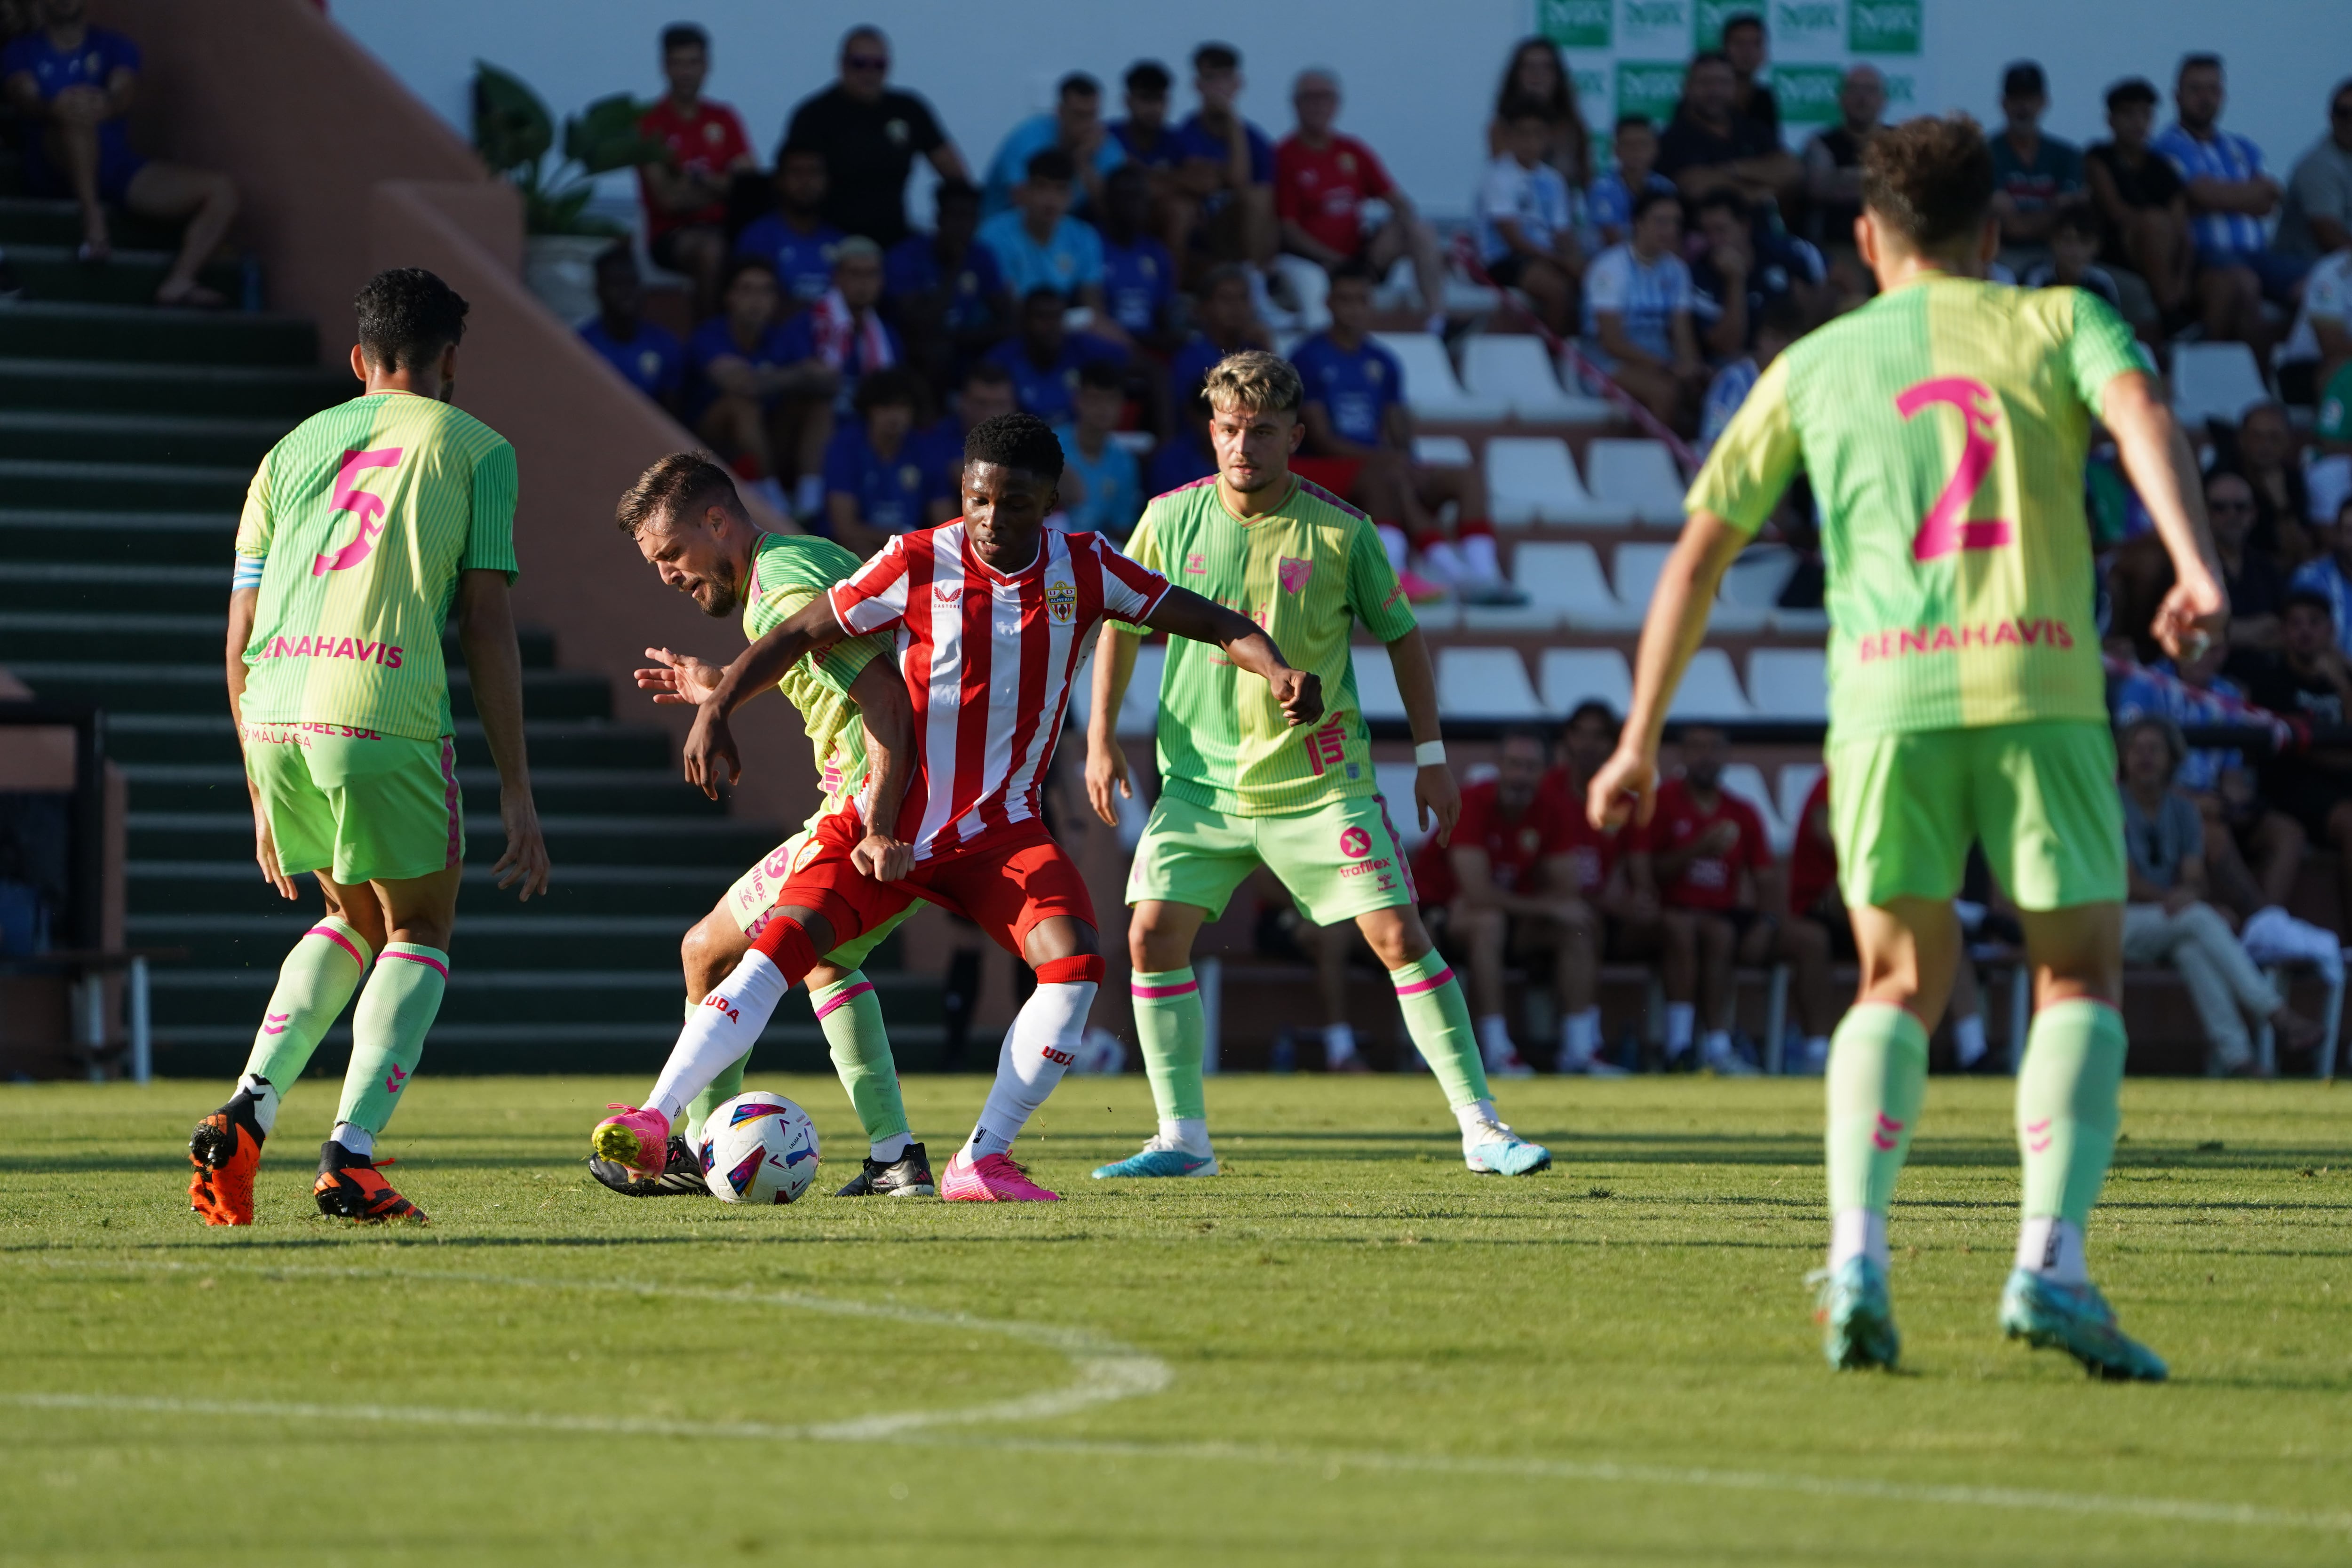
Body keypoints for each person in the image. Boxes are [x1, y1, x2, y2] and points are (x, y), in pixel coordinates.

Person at [1589, 114, 2225, 1379]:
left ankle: (1862, 1260)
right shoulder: (2056, 319)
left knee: (1895, 981)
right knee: (2079, 978)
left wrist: (1639, 736)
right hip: (2041, 680)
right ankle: (2051, 1263)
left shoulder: (1816, 361)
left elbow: (1700, 555)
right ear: (1996, 234)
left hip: (1886, 702)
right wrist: (2197, 567)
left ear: (1869, 237)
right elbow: (2143, 403)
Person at [592, 413, 1327, 1203]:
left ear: (1049, 501)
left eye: (1014, 504)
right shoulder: (915, 559)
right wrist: (719, 705)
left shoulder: (1086, 568)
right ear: (962, 491)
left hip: (996, 828)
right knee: (778, 951)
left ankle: (980, 1157)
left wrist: (1276, 667)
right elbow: (803, 635)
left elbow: (1209, 618)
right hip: (889, 819)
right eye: (978, 499)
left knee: (1075, 964)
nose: (991, 519)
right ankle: (661, 1118)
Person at [1087, 350, 1552, 1181]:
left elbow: (1404, 636)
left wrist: (1432, 759)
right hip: (1200, 783)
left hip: (1319, 782)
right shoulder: (1165, 519)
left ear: (1295, 436)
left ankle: (1482, 1128)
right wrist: (1100, 736)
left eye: (1261, 432)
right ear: (1212, 431)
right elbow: (1120, 624)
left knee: (1398, 933)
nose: (1242, 447)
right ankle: (1182, 1138)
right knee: (1151, 937)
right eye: (1229, 430)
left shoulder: (1343, 530)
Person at [189, 268, 550, 1226]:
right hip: (377, 700)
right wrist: (516, 786)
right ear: (451, 363)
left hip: (274, 709)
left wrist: (259, 792)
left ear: (359, 359)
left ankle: (248, 1106)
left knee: (349, 917)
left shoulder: (287, 450)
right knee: (418, 928)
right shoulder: (478, 447)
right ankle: (350, 1154)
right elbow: (485, 623)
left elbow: (237, 630)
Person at [602, 453, 936, 1198]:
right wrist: (717, 685)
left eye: (671, 554)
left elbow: (884, 698)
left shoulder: (779, 584)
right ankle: (894, 1158)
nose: (668, 576)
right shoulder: (795, 562)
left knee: (706, 951)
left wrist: (874, 823)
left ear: (717, 521)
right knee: (828, 964)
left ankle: (692, 1148)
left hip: (865, 806)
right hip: (893, 801)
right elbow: (827, 663)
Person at [1290, 262, 1510, 603]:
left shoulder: (1384, 361)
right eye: (1345, 300)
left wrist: (1409, 464)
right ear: (1328, 303)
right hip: (1326, 470)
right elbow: (1320, 440)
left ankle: (1484, 574)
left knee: (1465, 476)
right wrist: (1391, 461)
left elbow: (1398, 428)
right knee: (1388, 473)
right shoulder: (1307, 357)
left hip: (1379, 467)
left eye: (1362, 300)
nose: (1354, 308)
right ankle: (1403, 573)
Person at [2115, 717, 2320, 1075]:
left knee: (2192, 948)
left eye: (2154, 749)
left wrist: (2188, 895)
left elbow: (2195, 878)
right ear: (2124, 757)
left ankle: (2237, 1059)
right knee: (2198, 918)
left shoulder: (2183, 810)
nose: (2145, 758)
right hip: (2113, 922)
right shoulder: (2110, 805)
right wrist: (2182, 899)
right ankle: (2278, 1014)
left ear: (2172, 758)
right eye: (2137, 749)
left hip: (2168, 924)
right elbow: (2126, 882)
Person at [0, 0, 238, 307]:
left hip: (113, 168)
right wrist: (56, 106)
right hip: (51, 163)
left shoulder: (114, 45)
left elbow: (123, 90)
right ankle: (94, 221)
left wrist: (107, 103)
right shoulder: (20, 50)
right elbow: (24, 94)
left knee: (222, 192)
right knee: (74, 121)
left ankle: (179, 282)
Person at [1410, 726, 1601, 1079]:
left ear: (1544, 772)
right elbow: (1477, 893)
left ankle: (1580, 1048)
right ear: (1498, 765)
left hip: (1510, 915)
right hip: (1437, 916)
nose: (1521, 776)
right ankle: (1496, 1047)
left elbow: (1566, 889)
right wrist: (1547, 906)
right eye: (1514, 765)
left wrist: (1553, 907)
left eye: (1530, 767)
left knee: (1576, 925)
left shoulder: (1553, 810)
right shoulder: (1472, 802)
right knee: (1488, 921)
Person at [1786, 770, 1992, 1074]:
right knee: (1867, 881)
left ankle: (1973, 1050)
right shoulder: (1834, 780)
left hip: (1891, 913)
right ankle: (1819, 1054)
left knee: (1942, 930)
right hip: (1827, 909)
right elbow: (1826, 834)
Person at [2112, 634, 2303, 917]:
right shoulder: (2145, 684)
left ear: (2223, 653)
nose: (2203, 657)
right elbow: (2133, 770)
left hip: (2212, 804)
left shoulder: (2229, 695)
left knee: (2288, 833)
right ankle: (2265, 921)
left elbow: (2232, 775)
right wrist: (2194, 801)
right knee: (2214, 835)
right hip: (2160, 804)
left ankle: (2267, 927)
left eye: (2212, 650)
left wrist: (2234, 801)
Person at [1628, 724, 1772, 1074]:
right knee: (1683, 928)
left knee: (1720, 932)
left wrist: (1767, 922)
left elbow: (1766, 879)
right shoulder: (1659, 803)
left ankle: (1717, 1047)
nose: (1705, 756)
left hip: (1719, 915)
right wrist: (1699, 849)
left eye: (1714, 748)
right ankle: (1679, 1048)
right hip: (1666, 915)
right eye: (1696, 747)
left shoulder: (1743, 811)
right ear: (1681, 755)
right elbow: (1645, 871)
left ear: (1727, 756)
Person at [1274, 68, 1446, 327]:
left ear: (1336, 104)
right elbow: (1288, 230)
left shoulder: (1351, 152)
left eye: (1326, 98)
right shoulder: (1284, 156)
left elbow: (1398, 201)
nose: (1319, 105)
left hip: (1360, 257)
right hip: (1313, 261)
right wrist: (1334, 259)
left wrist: (1396, 229)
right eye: (1311, 98)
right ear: (1296, 104)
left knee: (1421, 231)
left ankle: (1438, 319)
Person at [2154, 55, 2301, 353]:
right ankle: (2215, 367)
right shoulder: (2167, 146)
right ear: (2177, 96)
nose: (2204, 98)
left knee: (2319, 283)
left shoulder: (2242, 147)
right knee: (2240, 283)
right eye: (2195, 90)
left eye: (2212, 90)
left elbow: (2270, 198)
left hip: (2259, 254)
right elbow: (2201, 194)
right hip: (2206, 255)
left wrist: (2221, 195)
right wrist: (2244, 195)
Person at [779, 25, 967, 247]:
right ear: (842, 65)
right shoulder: (814, 115)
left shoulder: (910, 111)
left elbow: (956, 176)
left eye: (879, 65)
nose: (869, 73)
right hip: (828, 242)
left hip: (895, 240)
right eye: (860, 64)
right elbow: (790, 182)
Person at [684, 258, 834, 517]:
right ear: (729, 297)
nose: (757, 299)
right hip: (709, 444)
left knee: (819, 407)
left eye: (766, 291)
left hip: (768, 436)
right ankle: (773, 505)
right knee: (742, 404)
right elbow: (741, 384)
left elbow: (828, 379)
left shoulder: (779, 337)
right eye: (747, 289)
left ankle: (811, 508)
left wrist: (773, 378)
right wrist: (794, 375)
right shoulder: (710, 334)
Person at [2242, 589, 2352, 928]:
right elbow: (2317, 754)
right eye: (2296, 624)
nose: (2305, 631)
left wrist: (2342, 686)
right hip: (2292, 789)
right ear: (2284, 633)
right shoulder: (2271, 681)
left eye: (2314, 623)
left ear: (2331, 631)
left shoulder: (2344, 680)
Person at [633, 23, 757, 321]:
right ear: (664, 67)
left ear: (707, 66)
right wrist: (723, 187)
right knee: (712, 252)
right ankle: (708, 344)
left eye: (693, 63)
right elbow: (668, 200)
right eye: (677, 63)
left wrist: (695, 182)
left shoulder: (725, 118)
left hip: (725, 227)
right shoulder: (648, 123)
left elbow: (750, 187)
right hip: (672, 235)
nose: (686, 72)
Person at [1579, 188, 1705, 432]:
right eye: (1661, 222)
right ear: (1638, 224)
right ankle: (1661, 466)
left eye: (1675, 223)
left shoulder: (1677, 270)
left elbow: (1682, 332)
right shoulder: (1610, 268)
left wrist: (1690, 365)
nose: (1670, 230)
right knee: (1664, 393)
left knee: (1708, 388)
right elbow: (1611, 342)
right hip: (1607, 360)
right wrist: (1667, 367)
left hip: (1659, 356)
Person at [2084, 78, 2195, 328]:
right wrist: (2156, 224)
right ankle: (2170, 312)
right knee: (2153, 222)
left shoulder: (2163, 168)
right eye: (2129, 114)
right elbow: (2116, 211)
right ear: (2111, 120)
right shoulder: (2099, 158)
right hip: (2115, 249)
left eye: (2144, 115)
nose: (2137, 122)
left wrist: (2183, 280)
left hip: (2166, 253)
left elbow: (2183, 231)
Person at [882, 177, 1006, 396]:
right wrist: (953, 270)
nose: (962, 226)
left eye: (969, 218)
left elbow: (1008, 319)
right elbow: (918, 324)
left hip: (959, 344)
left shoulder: (981, 256)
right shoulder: (906, 255)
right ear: (939, 218)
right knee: (934, 350)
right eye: (956, 216)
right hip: (908, 349)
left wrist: (960, 338)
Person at [1477, 97, 1584, 336]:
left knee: (1592, 280)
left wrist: (1575, 260)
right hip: (1504, 260)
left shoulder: (1553, 180)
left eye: (1538, 135)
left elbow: (1562, 233)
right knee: (1557, 291)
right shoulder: (1497, 177)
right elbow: (1512, 239)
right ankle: (1551, 359)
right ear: (1509, 137)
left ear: (1548, 138)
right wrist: (1560, 262)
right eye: (1523, 135)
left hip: (1544, 257)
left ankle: (1579, 353)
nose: (1530, 142)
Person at [822, 365, 948, 556]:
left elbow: (945, 529)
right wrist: (903, 536)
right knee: (857, 547)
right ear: (869, 409)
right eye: (885, 406)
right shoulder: (846, 447)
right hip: (853, 553)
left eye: (902, 407)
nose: (894, 416)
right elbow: (845, 529)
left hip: (910, 552)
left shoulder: (926, 450)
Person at [1173, 42, 1276, 273]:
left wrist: (1233, 124)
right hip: (1205, 232)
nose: (1218, 88)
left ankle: (1255, 280)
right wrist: (1231, 119)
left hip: (1246, 234)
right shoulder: (1185, 135)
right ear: (1198, 85)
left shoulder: (1257, 141)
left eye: (1225, 79)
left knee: (1260, 198)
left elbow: (1259, 194)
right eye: (1210, 79)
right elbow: (1234, 179)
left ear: (1238, 84)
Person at [1689, 189, 1826, 360]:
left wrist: (1809, 305)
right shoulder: (1699, 275)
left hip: (1794, 348)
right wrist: (1735, 281)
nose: (1714, 240)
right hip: (1738, 364)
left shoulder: (1778, 250)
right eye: (1707, 232)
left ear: (1744, 227)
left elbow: (1841, 276)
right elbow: (1727, 346)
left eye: (1721, 230)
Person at [977, 148, 1110, 318]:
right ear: (1026, 192)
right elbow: (1007, 309)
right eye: (1042, 187)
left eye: (1060, 189)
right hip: (1006, 331)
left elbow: (1093, 309)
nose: (1051, 199)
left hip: (1061, 331)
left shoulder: (1085, 236)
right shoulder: (994, 235)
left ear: (1071, 197)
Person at [1657, 52, 1800, 209]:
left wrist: (1733, 169)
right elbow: (1696, 186)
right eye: (1706, 83)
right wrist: (1764, 190)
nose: (1715, 91)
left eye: (1724, 82)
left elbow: (1790, 170)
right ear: (1688, 87)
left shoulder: (1753, 129)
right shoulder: (1672, 138)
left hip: (1763, 230)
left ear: (1735, 88)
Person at [982, 72, 1124, 219]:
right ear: (1060, 112)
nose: (1086, 125)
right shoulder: (1029, 138)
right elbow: (1024, 203)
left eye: (1092, 115)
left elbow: (1114, 215)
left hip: (1061, 231)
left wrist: (1083, 163)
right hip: (1005, 228)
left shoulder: (1103, 145)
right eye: (1078, 115)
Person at [984, 286, 1127, 426]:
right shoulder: (1003, 357)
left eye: (1056, 316)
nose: (1050, 325)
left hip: (1074, 443)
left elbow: (1133, 362)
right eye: (1042, 317)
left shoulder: (1083, 347)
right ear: (1025, 321)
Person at [732, 146, 847, 312]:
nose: (806, 181)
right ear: (779, 181)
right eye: (796, 172)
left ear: (827, 181)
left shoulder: (840, 242)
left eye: (814, 172)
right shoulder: (758, 238)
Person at [1988, 62, 2085, 259]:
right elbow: (2013, 227)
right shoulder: (1985, 154)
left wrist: (2021, 218)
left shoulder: (2067, 155)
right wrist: (2052, 213)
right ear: (2004, 103)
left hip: (2060, 256)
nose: (2024, 107)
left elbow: (2072, 219)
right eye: (2016, 99)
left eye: (2030, 99)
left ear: (2044, 102)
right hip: (2002, 257)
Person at [578, 244, 684, 415]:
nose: (627, 292)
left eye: (632, 283)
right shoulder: (582, 346)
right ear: (599, 290)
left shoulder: (666, 344)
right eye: (617, 284)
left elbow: (672, 417)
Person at [1486, 37, 1593, 198]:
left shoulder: (1573, 127)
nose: (1538, 75)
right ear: (1516, 75)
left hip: (1563, 219)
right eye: (1529, 67)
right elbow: (1506, 182)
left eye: (1546, 68)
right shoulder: (1501, 128)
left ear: (1558, 76)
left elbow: (1589, 184)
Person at [1700, 294, 1804, 455]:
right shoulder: (1733, 382)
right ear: (1761, 339)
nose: (1783, 348)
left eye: (1790, 340)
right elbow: (1714, 441)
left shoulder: (1799, 383)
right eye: (1776, 338)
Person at [1095, 164, 1183, 353]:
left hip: (1151, 346)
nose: (1133, 205)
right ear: (1107, 202)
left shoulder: (1157, 253)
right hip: (1106, 346)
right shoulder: (1092, 247)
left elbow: (1165, 314)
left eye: (1139, 197)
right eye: (1125, 197)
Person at [1803, 66, 1885, 265]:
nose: (1862, 98)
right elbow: (1820, 188)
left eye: (1870, 90)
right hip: (1840, 245)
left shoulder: (1899, 141)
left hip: (1893, 241)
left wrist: (1846, 177)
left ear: (1883, 100)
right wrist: (1880, 180)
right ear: (1841, 99)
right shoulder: (1821, 143)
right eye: (1855, 90)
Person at [1054, 358, 1141, 540]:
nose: (1104, 408)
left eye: (1112, 400)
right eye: (1095, 399)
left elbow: (1121, 528)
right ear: (1078, 400)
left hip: (1093, 554)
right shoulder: (1049, 445)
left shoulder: (1125, 462)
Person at [1167, 263, 1273, 404]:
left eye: (1243, 298)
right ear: (1204, 308)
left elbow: (1282, 404)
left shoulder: (1257, 349)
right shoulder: (1192, 358)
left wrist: (1268, 350)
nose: (1236, 307)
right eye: (1226, 299)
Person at [2278, 78, 2352, 262]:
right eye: (2343, 113)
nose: (2349, 121)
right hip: (2306, 267)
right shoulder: (2321, 165)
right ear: (2331, 116)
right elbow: (2329, 236)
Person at [2278, 240, 2351, 408]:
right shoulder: (2331, 273)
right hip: (2305, 368)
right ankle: (2331, 432)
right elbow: (2332, 346)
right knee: (2341, 370)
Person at [1590, 114, 1677, 251]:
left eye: (1643, 144)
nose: (1636, 151)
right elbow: (1613, 240)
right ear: (1616, 150)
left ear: (1655, 149)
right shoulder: (1603, 188)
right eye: (1628, 144)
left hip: (1656, 259)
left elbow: (1674, 235)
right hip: (1612, 261)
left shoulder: (1666, 187)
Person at [2022, 208, 2125, 316]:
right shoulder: (2037, 278)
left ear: (2097, 246)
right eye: (2068, 240)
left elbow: (2111, 327)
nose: (2076, 251)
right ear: (2053, 242)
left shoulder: (2102, 283)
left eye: (2085, 242)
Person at [1719, 11, 1779, 141]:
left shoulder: (1764, 97)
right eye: (1739, 44)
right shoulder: (1704, 95)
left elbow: (1773, 150)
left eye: (1756, 44)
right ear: (1724, 48)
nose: (1747, 52)